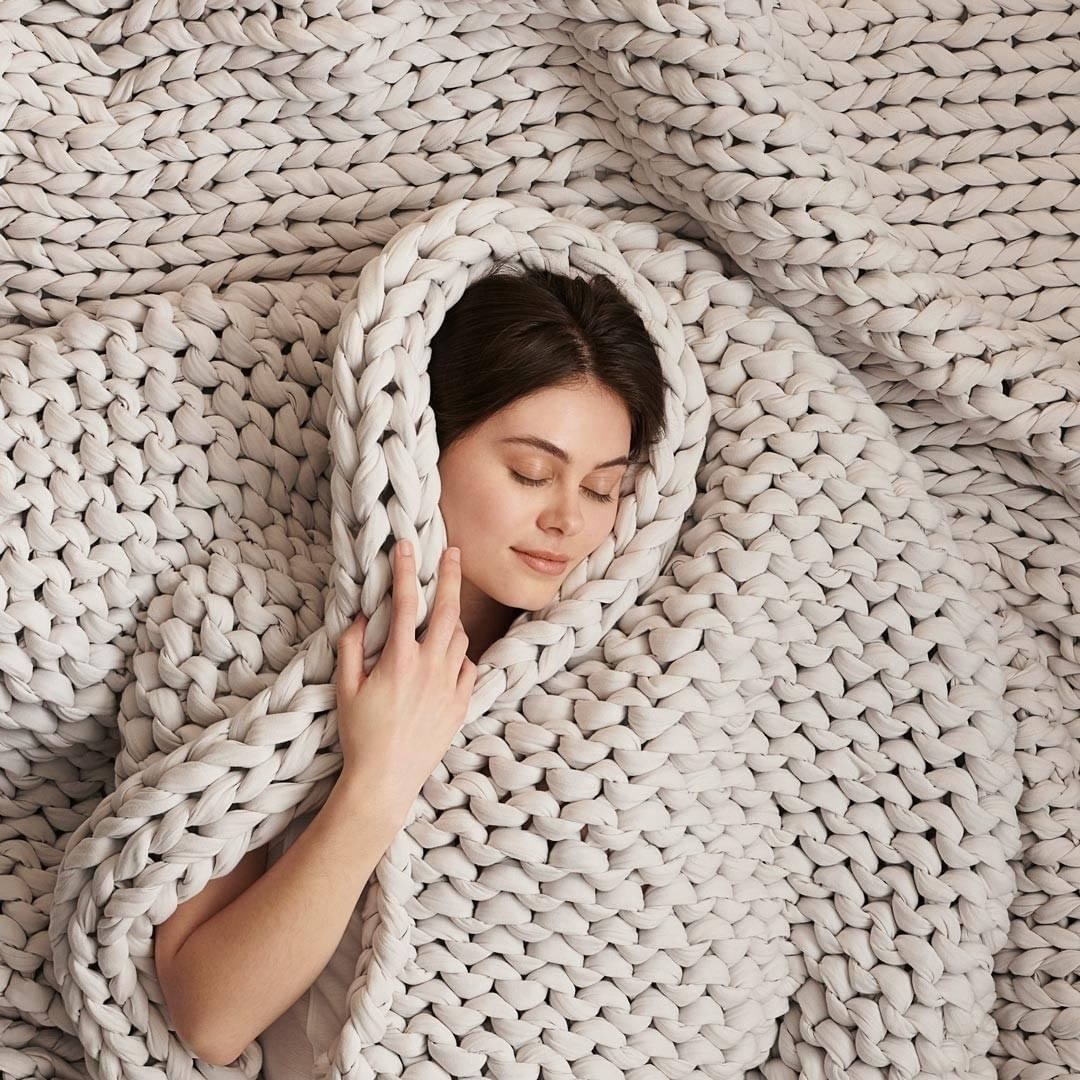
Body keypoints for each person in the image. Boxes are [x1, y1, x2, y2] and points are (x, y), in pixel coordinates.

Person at [151, 263, 668, 1074]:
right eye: (531, 473)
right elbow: (209, 1016)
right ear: (421, 442)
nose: (568, 518)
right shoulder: (248, 626)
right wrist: (377, 783)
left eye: (603, 488)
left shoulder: (629, 659)